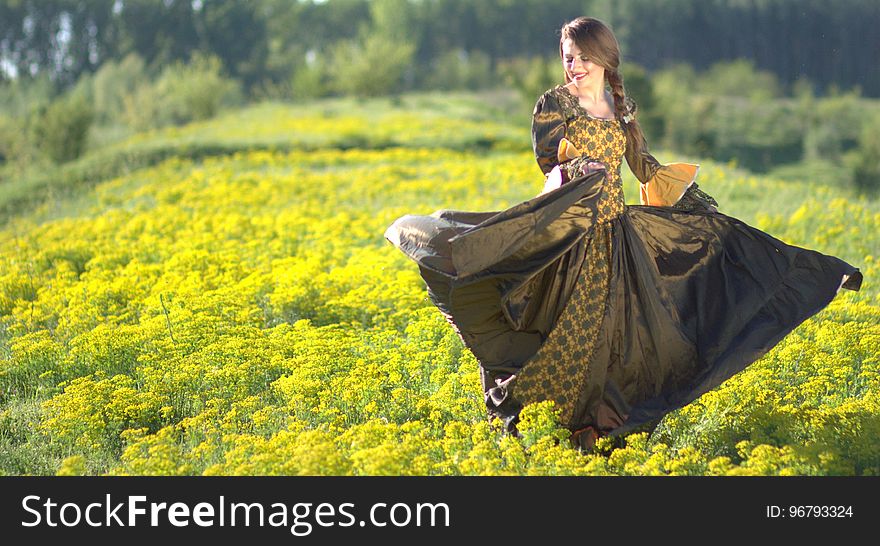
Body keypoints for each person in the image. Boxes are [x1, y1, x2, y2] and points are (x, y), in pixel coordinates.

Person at [384, 16, 863, 452]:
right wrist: (572, 171)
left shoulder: (622, 107)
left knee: (630, 335)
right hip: (571, 234)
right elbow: (549, 169)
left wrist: (690, 201)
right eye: (568, 57)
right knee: (569, 337)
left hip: (620, 237)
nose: (575, 66)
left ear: (604, 58)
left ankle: (601, 426)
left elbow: (643, 167)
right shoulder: (554, 105)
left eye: (583, 57)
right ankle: (547, 422)